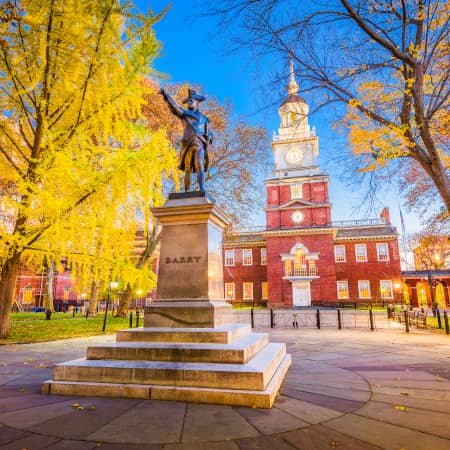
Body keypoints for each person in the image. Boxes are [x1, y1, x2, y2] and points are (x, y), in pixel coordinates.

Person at [159, 88, 213, 192]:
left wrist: (210, 137)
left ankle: (202, 188)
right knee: (187, 168)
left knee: (199, 164)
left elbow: (210, 132)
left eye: (191, 100)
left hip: (199, 143)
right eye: (188, 101)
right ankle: (187, 190)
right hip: (187, 143)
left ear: (197, 102)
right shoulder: (184, 114)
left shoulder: (204, 119)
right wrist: (166, 95)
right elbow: (174, 107)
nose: (188, 102)